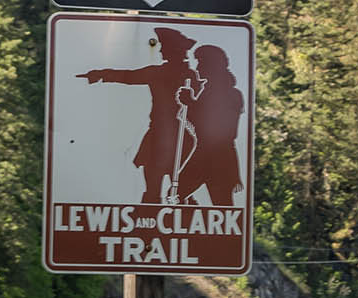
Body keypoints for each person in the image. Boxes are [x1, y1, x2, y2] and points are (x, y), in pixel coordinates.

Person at [80, 27, 196, 204]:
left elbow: (128, 76)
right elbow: (128, 76)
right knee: (155, 186)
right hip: (158, 135)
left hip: (178, 135)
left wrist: (100, 75)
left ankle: (176, 221)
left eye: (165, 47)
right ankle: (149, 221)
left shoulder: (187, 76)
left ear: (175, 50)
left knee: (176, 187)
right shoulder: (165, 73)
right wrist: (101, 74)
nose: (161, 50)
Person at [172, 43, 244, 207]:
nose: (197, 67)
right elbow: (200, 126)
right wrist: (190, 105)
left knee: (223, 208)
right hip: (204, 154)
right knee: (176, 196)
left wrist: (190, 104)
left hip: (218, 158)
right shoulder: (210, 90)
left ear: (212, 65)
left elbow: (221, 130)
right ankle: (187, 227)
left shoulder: (230, 94)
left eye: (201, 62)